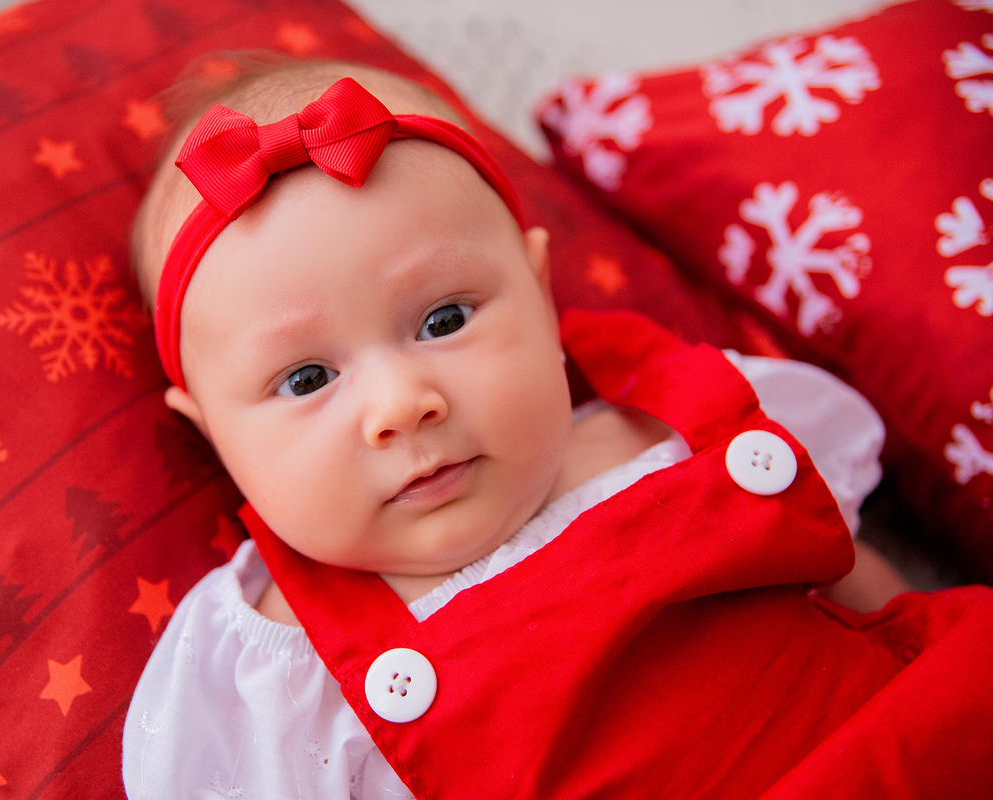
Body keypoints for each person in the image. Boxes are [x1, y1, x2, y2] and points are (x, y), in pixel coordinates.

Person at [121, 54, 991, 799]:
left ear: (540, 292)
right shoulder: (279, 667)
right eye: (306, 378)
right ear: (210, 436)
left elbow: (862, 586)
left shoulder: (672, 427)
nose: (401, 405)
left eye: (445, 320)